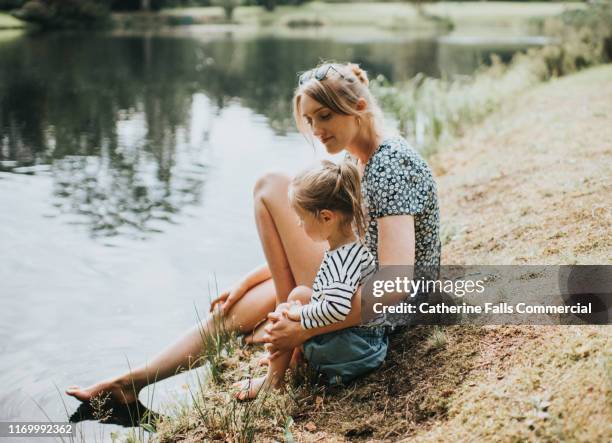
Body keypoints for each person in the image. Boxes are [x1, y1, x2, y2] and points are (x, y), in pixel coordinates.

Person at [65, 61, 440, 406]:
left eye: (324, 116)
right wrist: (249, 280)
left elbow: (394, 287)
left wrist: (304, 325)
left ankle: (286, 338)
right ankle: (133, 382)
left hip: (384, 315)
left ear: (359, 107)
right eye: (310, 120)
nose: (317, 130)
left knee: (270, 186)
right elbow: (339, 242)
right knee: (230, 311)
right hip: (352, 283)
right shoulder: (356, 159)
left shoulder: (389, 164)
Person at [233, 159, 385, 400]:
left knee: (292, 305)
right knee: (300, 296)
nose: (298, 224)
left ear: (326, 218)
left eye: (302, 219)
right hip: (364, 343)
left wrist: (297, 319)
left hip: (355, 353)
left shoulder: (343, 260)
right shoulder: (349, 246)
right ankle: (288, 357)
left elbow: (337, 308)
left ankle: (273, 381)